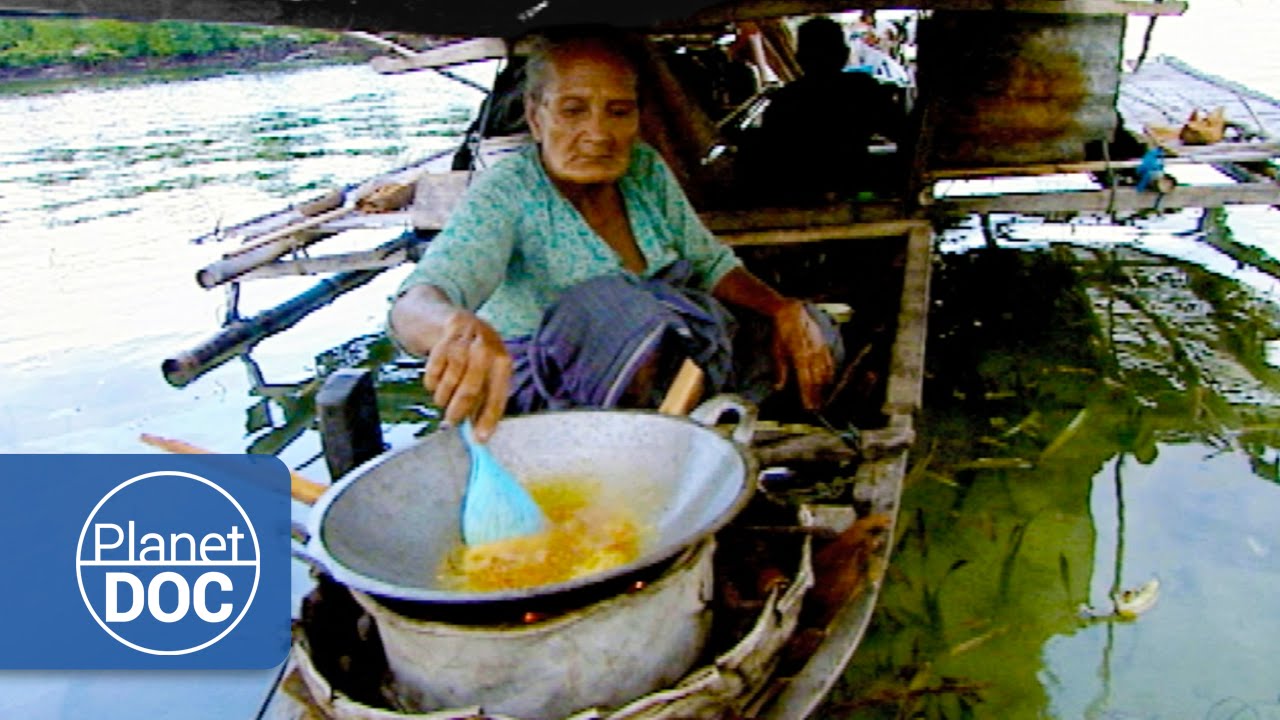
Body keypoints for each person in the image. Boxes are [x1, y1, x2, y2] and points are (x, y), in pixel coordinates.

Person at [389, 26, 839, 440]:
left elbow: (708, 262)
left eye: (618, 112)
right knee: (613, 306)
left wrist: (781, 308)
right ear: (535, 116)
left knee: (813, 329)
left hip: (669, 369)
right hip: (559, 405)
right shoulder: (508, 192)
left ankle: (706, 420)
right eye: (573, 110)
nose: (598, 133)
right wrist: (454, 326)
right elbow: (417, 301)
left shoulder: (642, 169)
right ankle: (657, 442)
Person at [748, 15, 903, 202]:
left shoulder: (785, 100)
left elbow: (768, 156)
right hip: (852, 188)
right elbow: (903, 132)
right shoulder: (861, 90)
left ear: (800, 58)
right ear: (844, 55)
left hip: (799, 196)